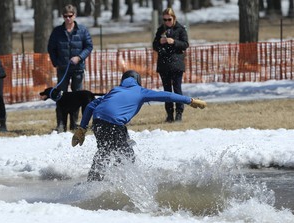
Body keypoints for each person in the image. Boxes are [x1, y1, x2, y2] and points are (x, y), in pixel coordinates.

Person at [71, 70, 206, 182]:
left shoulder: (115, 90)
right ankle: (124, 183)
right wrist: (189, 100)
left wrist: (82, 129)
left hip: (98, 121)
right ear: (138, 80)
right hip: (114, 123)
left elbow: (90, 106)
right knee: (126, 155)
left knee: (104, 150)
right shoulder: (141, 91)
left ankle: (93, 181)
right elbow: (167, 95)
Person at [47, 4, 93, 132]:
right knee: (60, 96)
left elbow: (88, 46)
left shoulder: (82, 30)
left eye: (70, 16)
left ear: (75, 15)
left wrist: (79, 57)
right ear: (63, 16)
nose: (68, 18)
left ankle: (74, 123)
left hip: (78, 69)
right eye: (65, 16)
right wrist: (56, 62)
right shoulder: (57, 31)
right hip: (63, 69)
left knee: (77, 96)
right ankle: (60, 124)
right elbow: (51, 48)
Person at [153, 8, 189, 123]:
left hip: (176, 64)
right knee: (166, 91)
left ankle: (179, 113)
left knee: (177, 90)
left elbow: (185, 44)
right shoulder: (160, 30)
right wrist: (160, 43)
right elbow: (154, 45)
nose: (167, 21)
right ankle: (169, 115)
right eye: (165, 19)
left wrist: (173, 42)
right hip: (164, 65)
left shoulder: (180, 29)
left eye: (169, 19)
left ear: (174, 18)